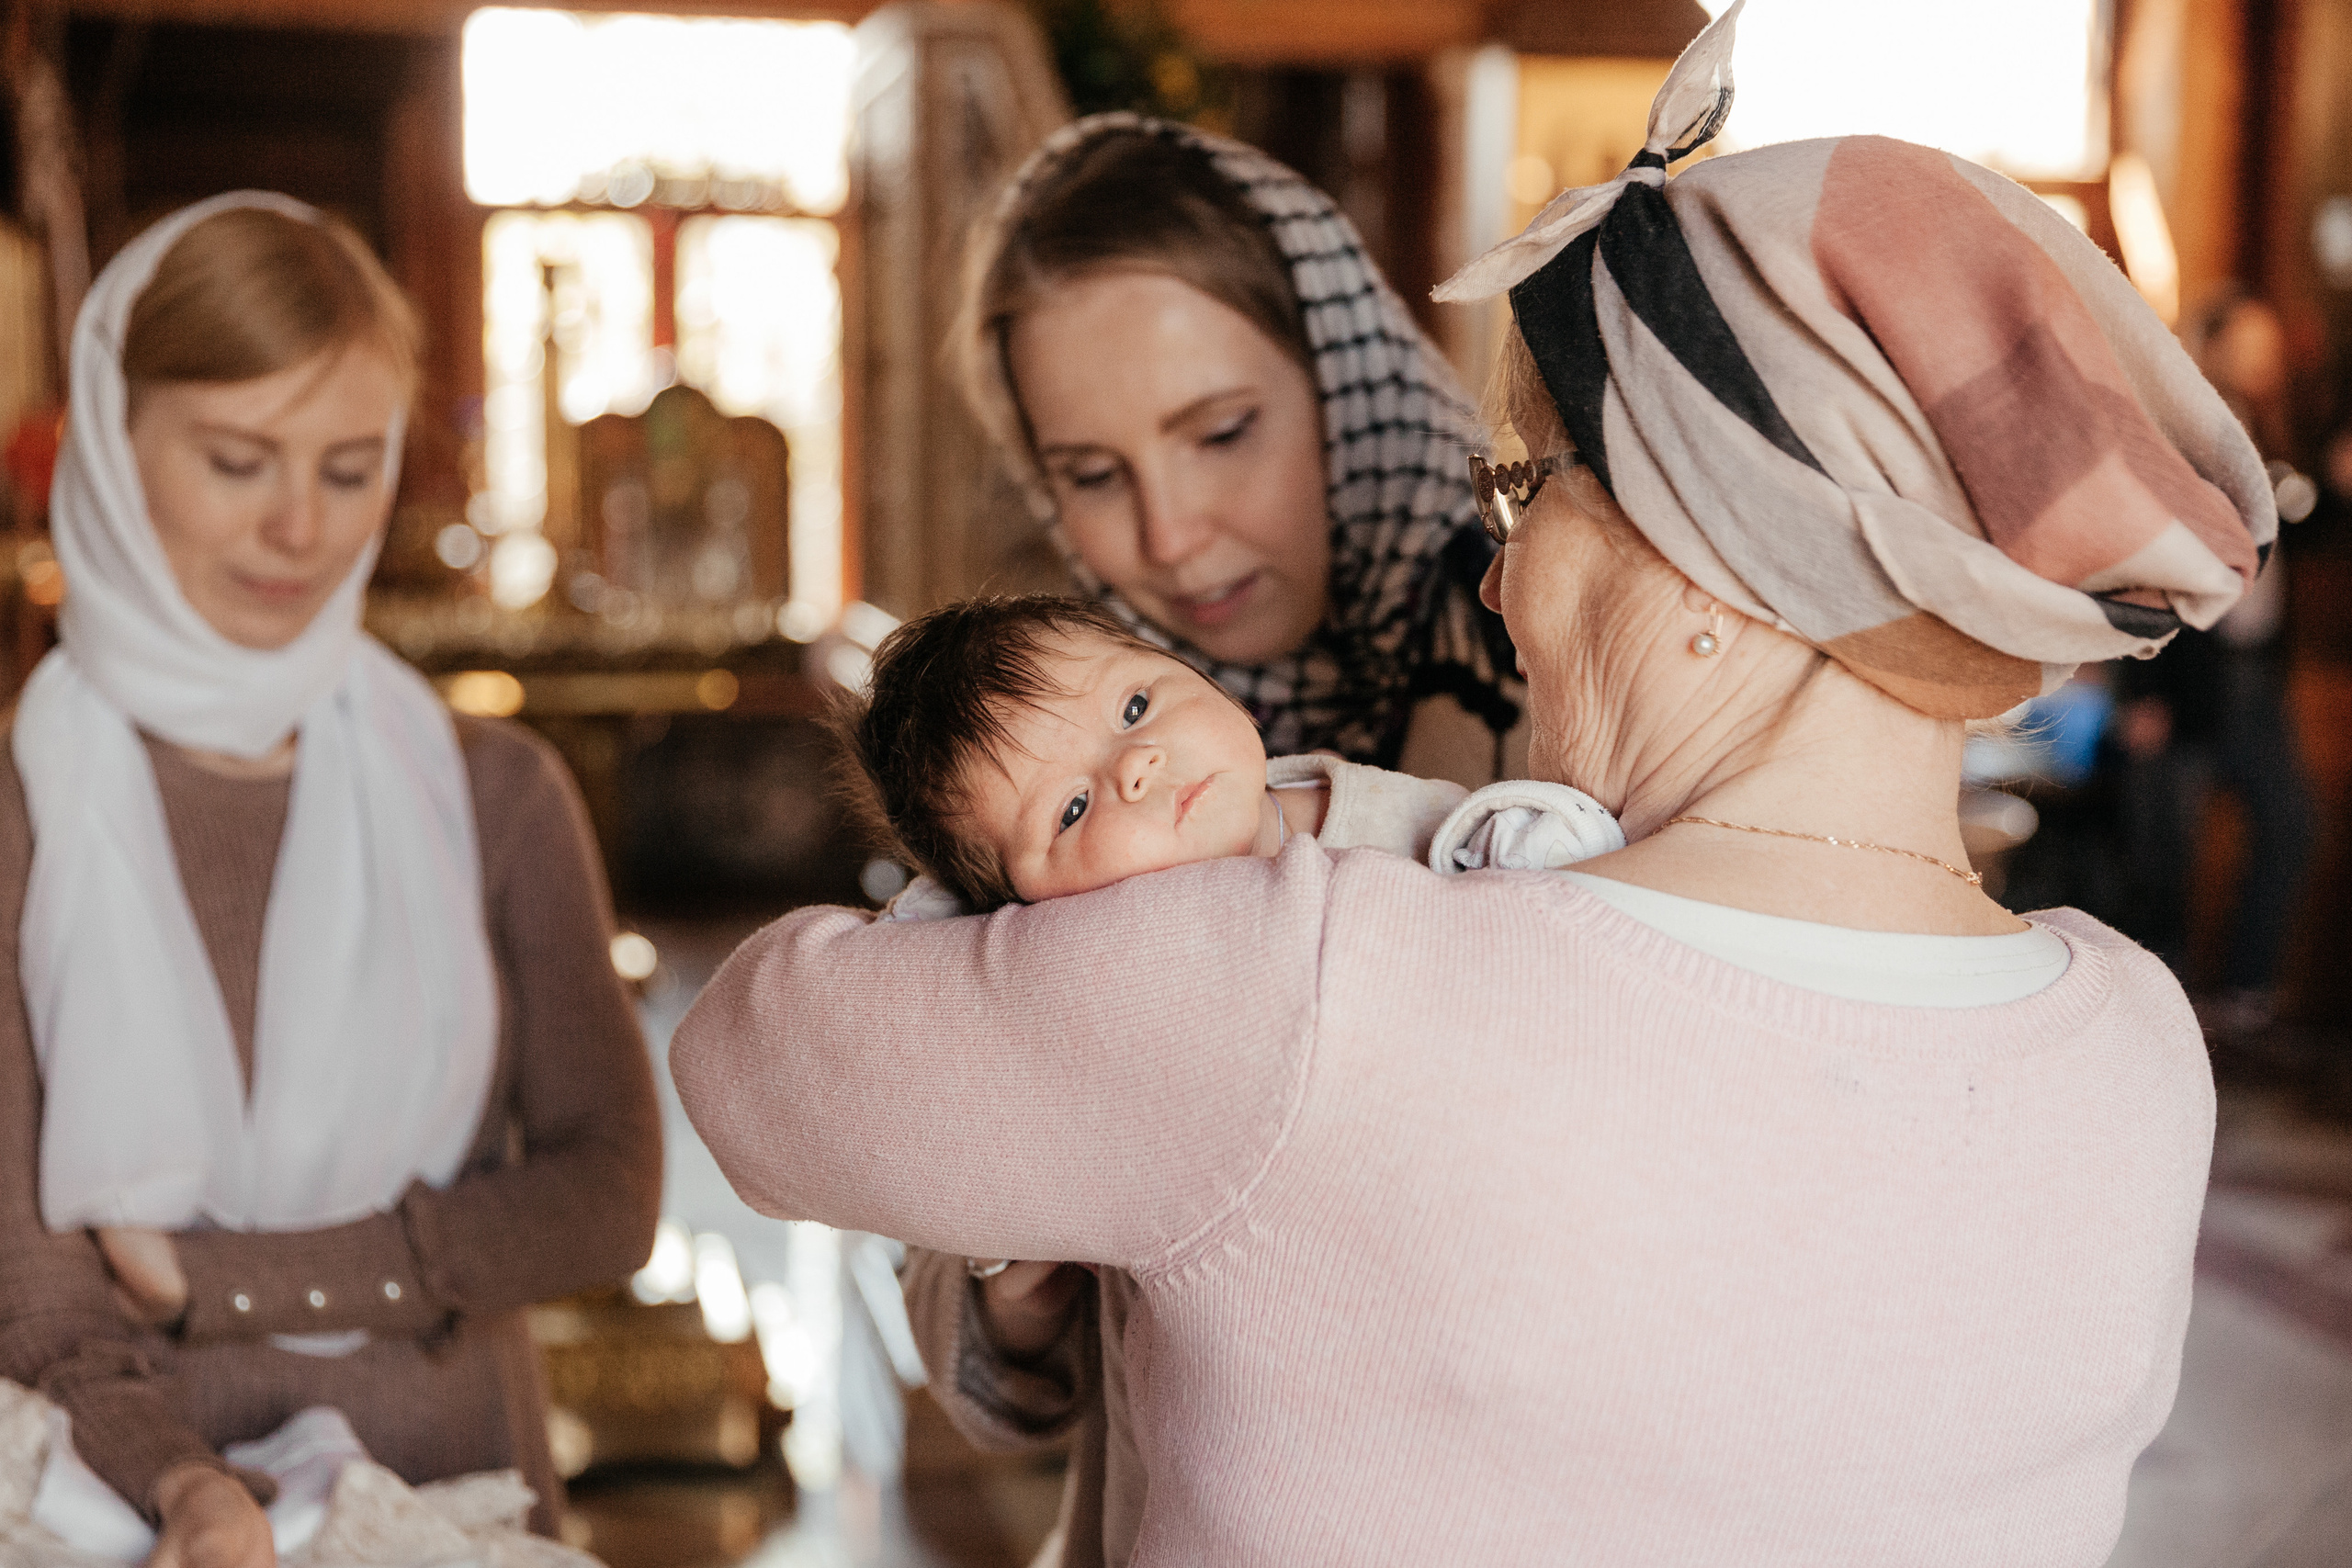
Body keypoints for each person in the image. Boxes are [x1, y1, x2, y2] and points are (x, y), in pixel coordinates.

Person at [673, 10, 2264, 1562]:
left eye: (1531, 488)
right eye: (1089, 475)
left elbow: (758, 1057)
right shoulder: (2140, 1044)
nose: (1501, 582)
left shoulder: (1311, 967)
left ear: (1713, 547)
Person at [0, 193, 662, 1567]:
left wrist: (233, 1276)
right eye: (238, 459)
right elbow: (38, 1290)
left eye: (350, 467)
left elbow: (608, 1189)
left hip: (459, 1498)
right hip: (128, 1504)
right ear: (110, 450)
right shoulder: (16, 805)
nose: (299, 527)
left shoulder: (496, 791)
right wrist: (190, 1487)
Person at [921, 112, 1531, 1562]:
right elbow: (987, 1356)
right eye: (1091, 471)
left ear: (1342, 376)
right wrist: (1014, 1266)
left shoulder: (1549, 677)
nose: (1175, 535)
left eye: (1222, 432)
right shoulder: (1050, 748)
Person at [840, 594, 1617, 914]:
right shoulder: (1072, 966)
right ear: (1023, 906)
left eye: (1136, 707)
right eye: (1072, 809)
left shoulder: (1417, 823)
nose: (1136, 763)